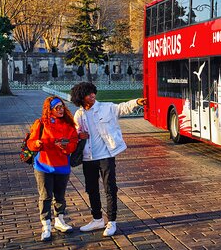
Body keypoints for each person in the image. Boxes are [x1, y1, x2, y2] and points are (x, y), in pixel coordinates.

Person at [70, 82, 146, 237]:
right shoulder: (79, 115)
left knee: (110, 188)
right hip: (88, 157)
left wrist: (136, 102)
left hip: (106, 155)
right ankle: (97, 219)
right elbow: (75, 133)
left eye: (93, 92)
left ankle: (112, 221)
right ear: (81, 97)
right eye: (88, 93)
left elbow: (122, 108)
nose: (92, 95)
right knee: (91, 189)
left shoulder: (106, 107)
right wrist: (78, 135)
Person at [26, 96, 79, 241]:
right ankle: (46, 225)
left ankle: (59, 220)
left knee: (60, 196)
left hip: (62, 166)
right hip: (44, 165)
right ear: (50, 110)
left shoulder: (69, 125)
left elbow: (73, 142)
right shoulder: (41, 123)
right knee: (45, 196)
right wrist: (36, 144)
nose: (61, 110)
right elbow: (30, 142)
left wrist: (66, 147)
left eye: (62, 107)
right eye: (57, 108)